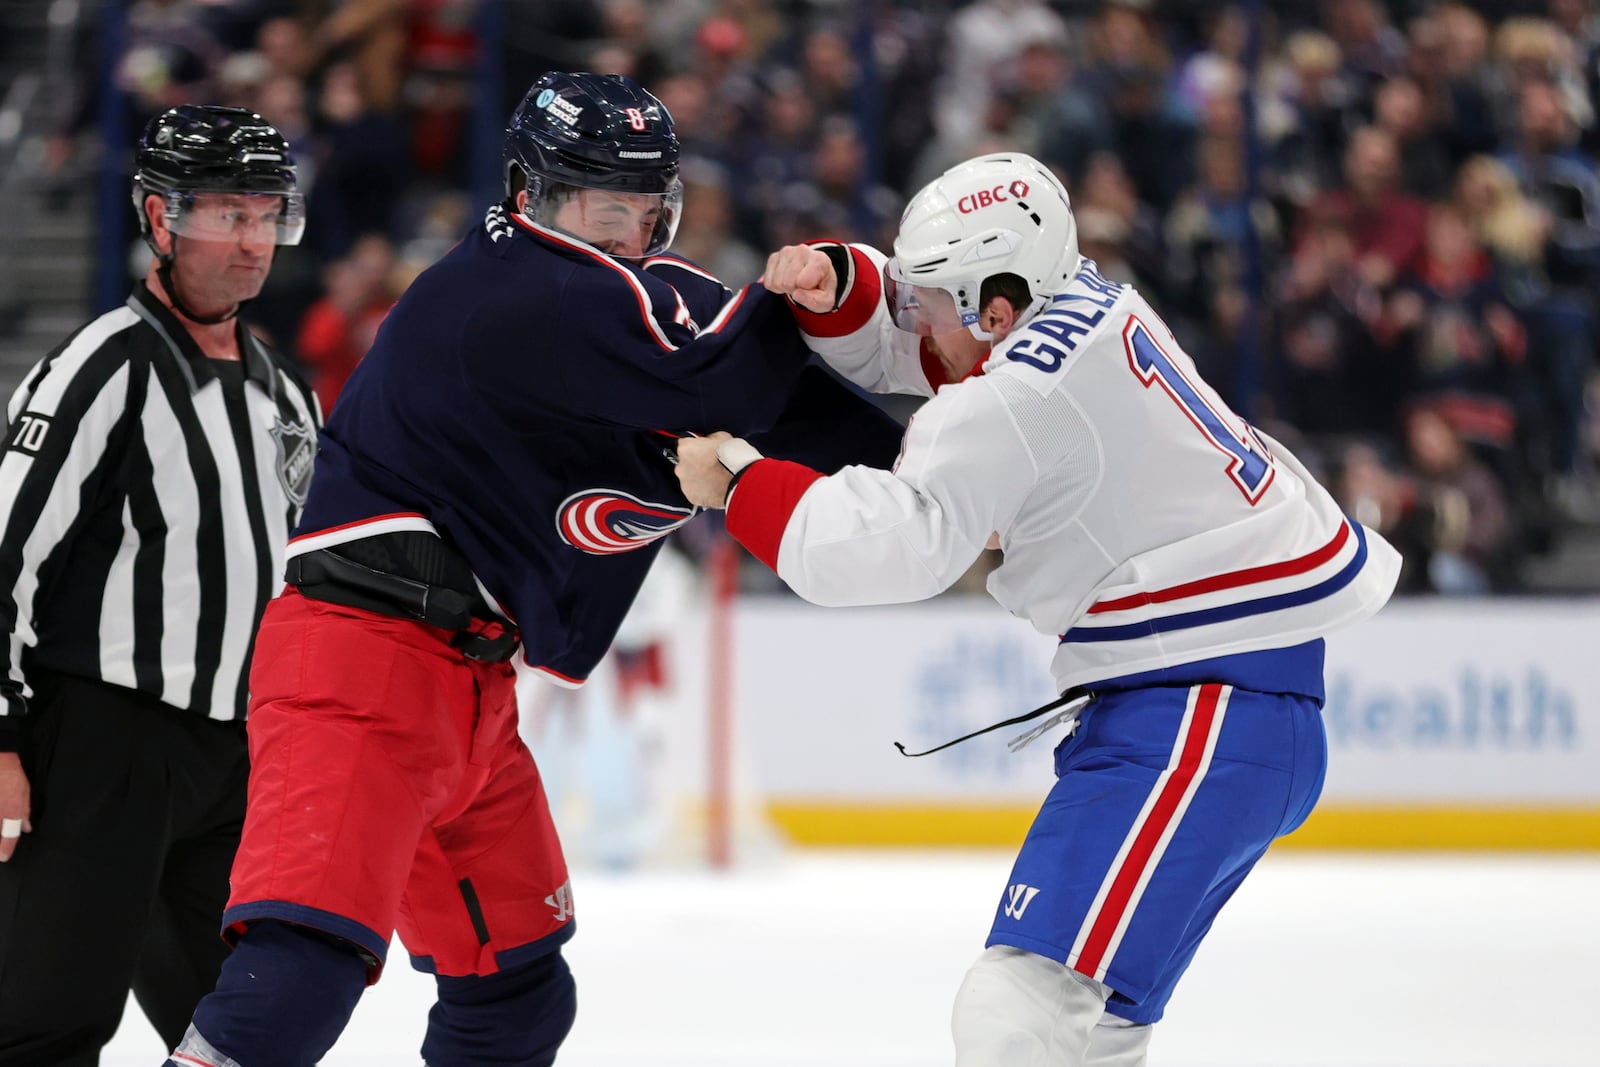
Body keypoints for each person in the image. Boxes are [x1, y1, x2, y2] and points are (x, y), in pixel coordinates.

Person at [162, 71, 902, 1067]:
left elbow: (805, 410)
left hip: (470, 682)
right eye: (603, 207)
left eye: (647, 210)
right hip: (359, 666)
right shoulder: (509, 290)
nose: (627, 233)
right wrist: (793, 292)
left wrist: (944, 459)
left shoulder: (635, 296)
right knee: (296, 981)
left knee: (514, 993)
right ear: (527, 194)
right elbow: (727, 375)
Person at [676, 151, 1402, 1066]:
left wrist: (739, 482)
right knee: (1095, 1034)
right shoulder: (1087, 303)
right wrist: (842, 286)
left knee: (1014, 1014)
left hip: (1196, 715)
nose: (914, 315)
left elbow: (898, 543)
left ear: (1000, 304)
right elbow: (943, 351)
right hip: (1228, 711)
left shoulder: (1016, 396)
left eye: (930, 297)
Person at [0, 106, 319, 1063]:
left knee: (241, 1029)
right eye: (227, 214)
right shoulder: (103, 365)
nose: (251, 241)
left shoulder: (285, 394)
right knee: (49, 1024)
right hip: (103, 747)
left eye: (266, 215)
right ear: (160, 217)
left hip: (235, 760)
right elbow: (6, 549)